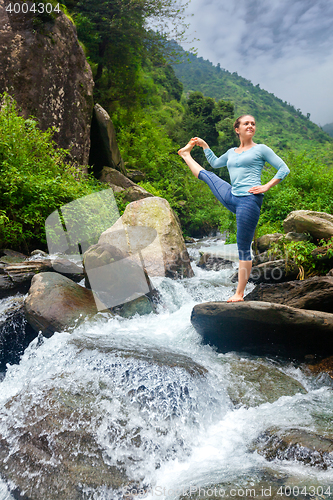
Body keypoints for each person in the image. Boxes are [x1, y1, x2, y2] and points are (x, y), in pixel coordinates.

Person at [177, 114, 290, 302]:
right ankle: (185, 154)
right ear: (237, 129)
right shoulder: (231, 152)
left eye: (253, 123)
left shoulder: (261, 149)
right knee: (209, 176)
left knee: (243, 247)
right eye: (246, 123)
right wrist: (205, 147)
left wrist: (266, 186)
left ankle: (239, 294)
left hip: (249, 201)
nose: (251, 126)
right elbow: (214, 163)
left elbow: (283, 169)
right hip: (231, 196)